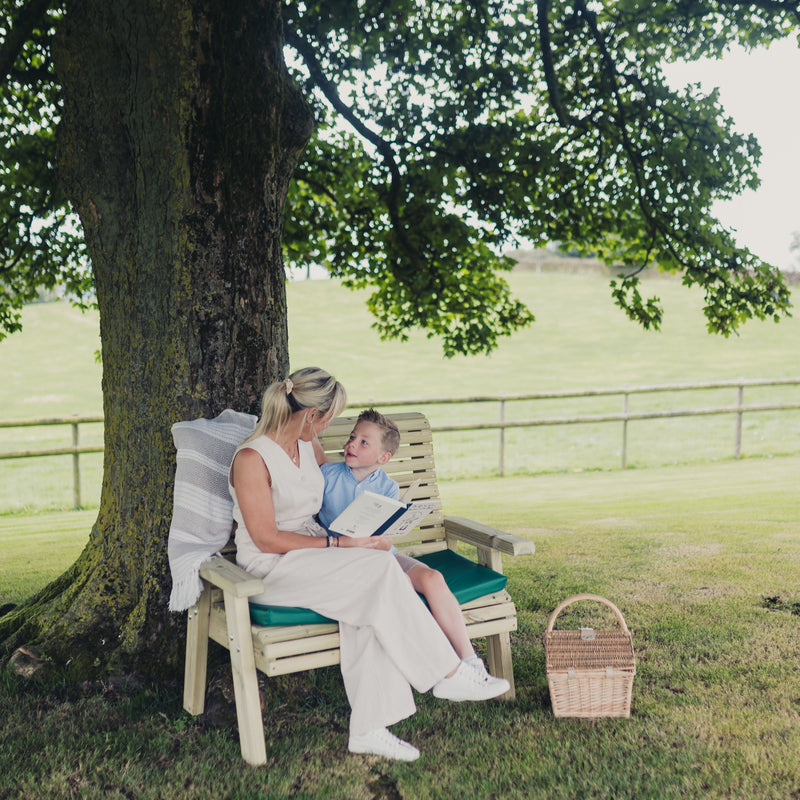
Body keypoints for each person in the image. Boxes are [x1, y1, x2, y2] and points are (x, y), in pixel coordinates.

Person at [229, 367, 509, 762]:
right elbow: (265, 538)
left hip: (317, 555)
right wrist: (340, 542)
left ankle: (368, 728)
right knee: (379, 573)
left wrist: (369, 529)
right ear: (312, 416)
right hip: (272, 567)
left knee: (369, 594)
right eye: (329, 418)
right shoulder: (251, 458)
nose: (331, 428)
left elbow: (340, 490)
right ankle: (447, 673)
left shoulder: (308, 447)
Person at [318, 408, 509, 687]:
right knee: (401, 585)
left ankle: (471, 662)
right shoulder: (327, 476)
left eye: (363, 442)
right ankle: (445, 668)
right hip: (348, 560)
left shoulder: (387, 487)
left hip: (380, 553)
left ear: (384, 458)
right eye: (352, 437)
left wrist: (386, 538)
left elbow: (386, 543)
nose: (351, 445)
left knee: (433, 578)